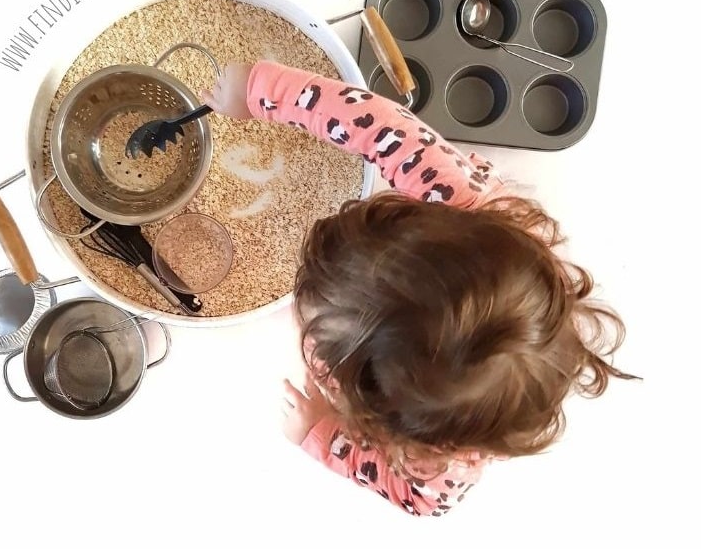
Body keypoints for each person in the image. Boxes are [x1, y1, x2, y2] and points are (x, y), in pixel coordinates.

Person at [200, 60, 638, 517]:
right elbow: (378, 124)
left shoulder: (440, 461)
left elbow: (420, 501)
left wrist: (323, 436)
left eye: (321, 336)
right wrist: (258, 90)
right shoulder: (458, 200)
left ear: (380, 421)